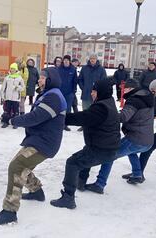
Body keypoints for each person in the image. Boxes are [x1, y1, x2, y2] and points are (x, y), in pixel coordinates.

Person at [0, 67, 67, 225]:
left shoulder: (54, 97)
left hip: (45, 143)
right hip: (38, 139)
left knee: (17, 166)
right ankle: (37, 191)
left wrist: (13, 120)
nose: (40, 80)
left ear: (51, 79)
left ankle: (9, 211)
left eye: (43, 77)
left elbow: (36, 117)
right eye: (40, 77)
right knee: (20, 164)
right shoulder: (49, 94)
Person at [50, 78, 120, 209]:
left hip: (103, 149)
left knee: (72, 163)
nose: (92, 93)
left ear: (101, 91)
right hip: (108, 147)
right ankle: (80, 182)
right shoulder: (108, 102)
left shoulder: (101, 108)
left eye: (94, 90)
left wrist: (61, 117)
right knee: (85, 154)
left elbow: (82, 118)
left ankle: (68, 197)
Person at [85, 78, 155, 193]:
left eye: (125, 89)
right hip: (147, 140)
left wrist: (109, 114)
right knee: (131, 152)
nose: (123, 91)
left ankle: (99, 184)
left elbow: (124, 117)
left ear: (131, 89)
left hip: (135, 138)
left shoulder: (134, 100)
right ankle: (137, 174)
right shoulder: (146, 98)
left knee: (110, 154)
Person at [0, 63, 25, 128]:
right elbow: (3, 88)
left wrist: (17, 88)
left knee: (16, 111)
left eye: (13, 69)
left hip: (15, 98)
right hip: (8, 98)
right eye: (11, 68)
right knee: (7, 111)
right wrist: (2, 96)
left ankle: (15, 123)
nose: (12, 70)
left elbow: (23, 87)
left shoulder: (19, 78)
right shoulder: (7, 77)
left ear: (16, 70)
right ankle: (6, 122)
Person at [58, 55, 78, 131]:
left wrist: (73, 91)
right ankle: (58, 123)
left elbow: (75, 80)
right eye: (65, 60)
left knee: (68, 109)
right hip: (60, 92)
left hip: (69, 93)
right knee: (59, 108)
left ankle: (65, 124)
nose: (66, 61)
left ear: (69, 61)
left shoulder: (73, 69)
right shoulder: (59, 69)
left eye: (67, 60)